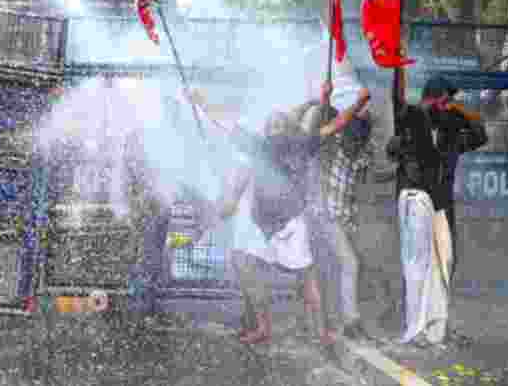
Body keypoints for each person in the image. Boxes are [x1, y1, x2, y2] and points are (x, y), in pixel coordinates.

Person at [193, 81, 371, 346]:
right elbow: (225, 123)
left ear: (285, 128)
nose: (275, 126)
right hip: (261, 222)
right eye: (272, 123)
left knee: (306, 275)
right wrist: (201, 101)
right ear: (268, 129)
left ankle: (320, 332)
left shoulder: (299, 143)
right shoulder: (262, 144)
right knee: (243, 262)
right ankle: (264, 327)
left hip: (290, 223)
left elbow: (336, 125)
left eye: (278, 122)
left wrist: (357, 102)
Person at [386, 73, 487, 345]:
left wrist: (458, 110)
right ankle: (413, 328)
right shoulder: (413, 121)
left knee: (446, 261)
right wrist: (399, 70)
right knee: (416, 263)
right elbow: (398, 106)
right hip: (417, 196)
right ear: (431, 97)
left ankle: (436, 328)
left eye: (450, 100)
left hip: (442, 203)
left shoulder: (452, 129)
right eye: (445, 98)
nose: (448, 103)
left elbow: (480, 133)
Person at [301, 98, 375, 341]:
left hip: (343, 219)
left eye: (359, 141)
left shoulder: (361, 154)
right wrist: (320, 103)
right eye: (352, 140)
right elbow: (319, 127)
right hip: (325, 216)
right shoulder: (330, 150)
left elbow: (370, 165)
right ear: (344, 136)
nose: (354, 145)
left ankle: (330, 321)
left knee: (341, 267)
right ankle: (349, 321)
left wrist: (364, 118)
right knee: (348, 263)